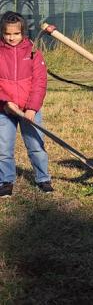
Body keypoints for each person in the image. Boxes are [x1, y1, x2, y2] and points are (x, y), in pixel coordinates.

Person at [0, 11, 51, 198]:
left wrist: (32, 108)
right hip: (4, 110)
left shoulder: (33, 52)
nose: (12, 38)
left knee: (36, 145)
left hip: (29, 110)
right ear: (2, 33)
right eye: (7, 34)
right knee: (3, 148)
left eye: (16, 33)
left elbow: (40, 82)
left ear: (23, 32)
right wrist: (5, 102)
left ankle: (43, 178)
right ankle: (5, 181)